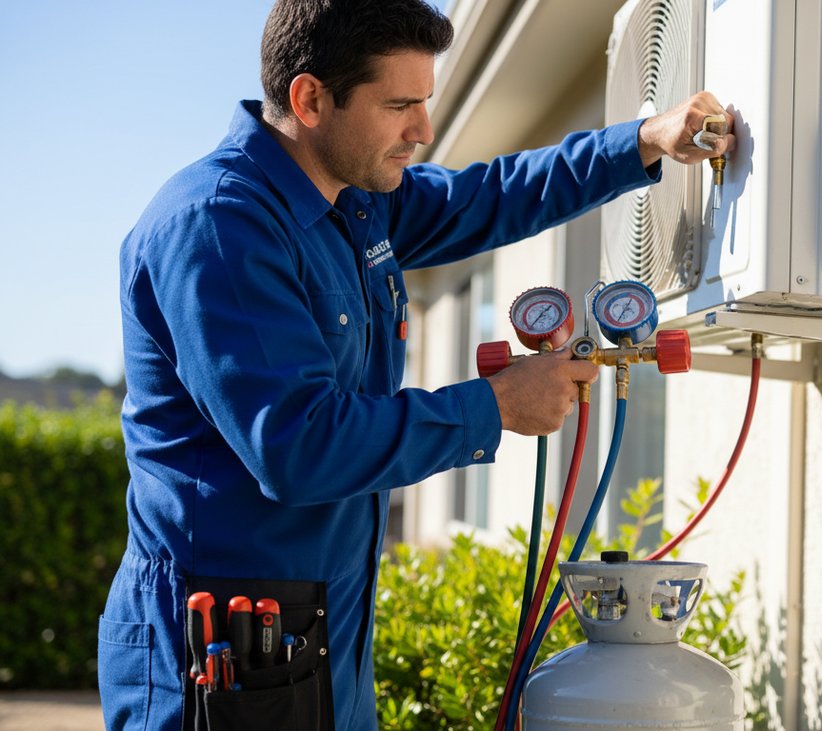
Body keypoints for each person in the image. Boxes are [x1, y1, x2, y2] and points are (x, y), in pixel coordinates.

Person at [97, 0, 734, 729]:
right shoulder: (218, 226)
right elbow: (300, 444)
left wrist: (646, 141)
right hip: (215, 659)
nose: (423, 131)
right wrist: (492, 406)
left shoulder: (358, 200)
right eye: (400, 105)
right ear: (309, 99)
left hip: (321, 637)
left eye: (425, 102)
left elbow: (491, 195)